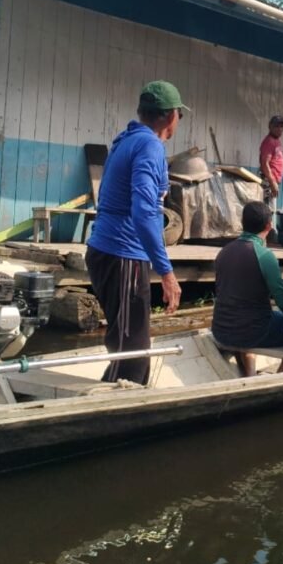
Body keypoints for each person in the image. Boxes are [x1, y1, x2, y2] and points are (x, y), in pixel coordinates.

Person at [85, 80, 185, 385]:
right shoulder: (149, 145)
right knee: (133, 354)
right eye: (179, 115)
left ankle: (113, 405)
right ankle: (107, 416)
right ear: (170, 117)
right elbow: (143, 213)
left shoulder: (126, 139)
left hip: (106, 250)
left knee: (125, 343)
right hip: (122, 255)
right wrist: (166, 273)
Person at [212, 201, 283, 376]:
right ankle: (278, 380)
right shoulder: (265, 256)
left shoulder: (224, 252)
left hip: (221, 330)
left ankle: (250, 374)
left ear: (243, 223)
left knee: (255, 315)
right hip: (254, 332)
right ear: (269, 225)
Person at [259, 115, 283, 209]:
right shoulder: (269, 142)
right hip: (269, 182)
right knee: (267, 211)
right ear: (270, 126)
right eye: (276, 126)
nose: (280, 129)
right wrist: (272, 182)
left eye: (281, 126)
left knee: (270, 210)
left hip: (273, 181)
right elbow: (264, 164)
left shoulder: (276, 141)